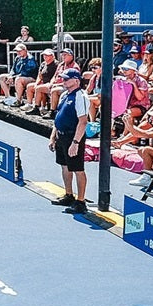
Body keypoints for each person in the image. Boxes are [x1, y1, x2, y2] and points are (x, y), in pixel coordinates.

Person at [49, 69, 89, 215]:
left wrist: (76, 142)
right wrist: (53, 136)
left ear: (76, 80)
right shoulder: (64, 95)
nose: (64, 81)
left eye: (67, 79)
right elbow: (58, 116)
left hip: (73, 136)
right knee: (64, 166)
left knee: (77, 169)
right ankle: (69, 195)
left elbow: (83, 122)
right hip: (61, 135)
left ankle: (81, 201)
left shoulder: (81, 96)